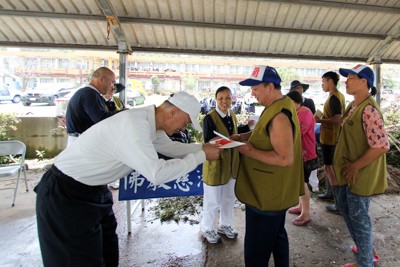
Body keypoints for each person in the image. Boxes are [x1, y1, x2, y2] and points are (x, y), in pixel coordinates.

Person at [34, 91, 222, 267]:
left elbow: (172, 148)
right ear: (173, 112)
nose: (184, 127)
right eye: (186, 122)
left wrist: (203, 148)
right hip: (66, 195)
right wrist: (201, 156)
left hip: (95, 191)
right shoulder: (134, 126)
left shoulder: (150, 124)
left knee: (107, 255)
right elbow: (157, 174)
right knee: (76, 260)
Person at [232, 66, 304, 266]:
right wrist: (242, 136)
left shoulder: (279, 116)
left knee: (256, 250)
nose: (252, 94)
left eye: (255, 89)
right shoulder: (280, 104)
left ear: (270, 87)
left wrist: (248, 151)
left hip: (266, 195)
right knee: (277, 236)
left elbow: (285, 158)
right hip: (271, 192)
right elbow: (263, 134)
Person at [335, 65, 389, 267]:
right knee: (347, 211)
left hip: (360, 174)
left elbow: (381, 146)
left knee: (360, 221)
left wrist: (356, 166)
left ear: (364, 81)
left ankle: (366, 262)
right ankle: (366, 254)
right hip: (349, 173)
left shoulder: (368, 110)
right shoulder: (354, 106)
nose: (346, 81)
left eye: (350, 77)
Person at [200, 86, 252, 244]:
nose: (224, 101)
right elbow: (209, 140)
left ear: (232, 99)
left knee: (229, 197)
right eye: (221, 98)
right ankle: (207, 228)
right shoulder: (210, 118)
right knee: (212, 200)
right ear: (216, 99)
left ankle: (225, 225)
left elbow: (233, 132)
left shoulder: (232, 115)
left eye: (228, 98)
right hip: (216, 164)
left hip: (231, 164)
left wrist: (247, 127)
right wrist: (227, 141)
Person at [315, 71, 346, 214]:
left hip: (331, 139)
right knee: (330, 168)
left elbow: (337, 119)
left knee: (330, 169)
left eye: (323, 82)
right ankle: (330, 194)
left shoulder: (334, 98)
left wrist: (319, 120)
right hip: (330, 137)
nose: (322, 85)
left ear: (330, 81)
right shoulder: (336, 96)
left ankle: (339, 204)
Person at [65, 67, 121, 145]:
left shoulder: (89, 93)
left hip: (81, 141)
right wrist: (123, 113)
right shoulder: (90, 94)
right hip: (82, 142)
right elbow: (101, 118)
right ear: (102, 80)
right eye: (112, 82)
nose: (112, 86)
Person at [286, 91, 317, 226]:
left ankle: (306, 213)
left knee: (303, 183)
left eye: (289, 102)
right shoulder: (296, 112)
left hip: (306, 154)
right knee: (299, 182)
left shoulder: (305, 112)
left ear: (296, 102)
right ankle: (301, 207)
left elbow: (298, 131)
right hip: (299, 153)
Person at [103, 83, 127, 189]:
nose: (112, 90)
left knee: (116, 160)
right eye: (110, 88)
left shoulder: (117, 101)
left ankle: (114, 181)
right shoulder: (98, 101)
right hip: (104, 135)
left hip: (117, 134)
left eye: (114, 88)